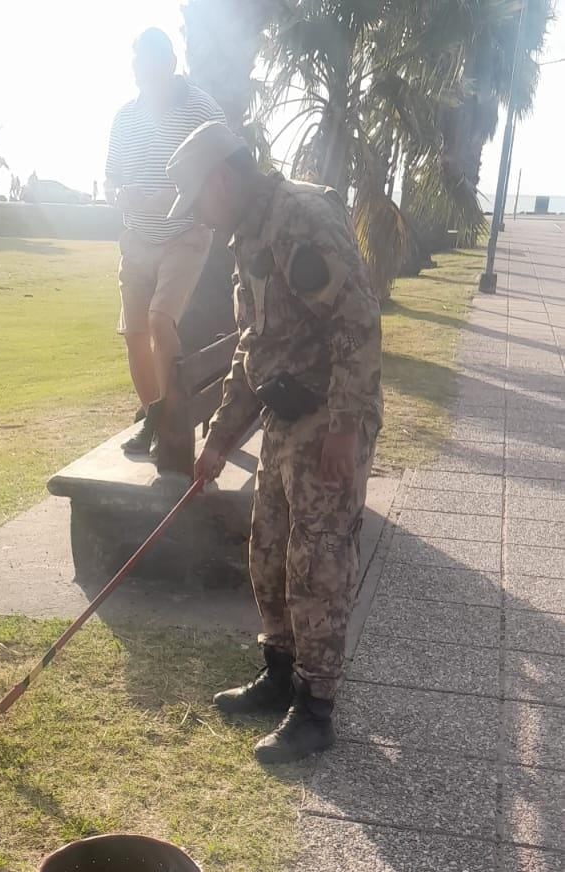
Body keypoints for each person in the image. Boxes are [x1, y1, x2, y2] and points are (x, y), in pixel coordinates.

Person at [165, 121, 383, 763]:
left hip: (332, 416)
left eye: (198, 199)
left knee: (317, 561)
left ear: (222, 180)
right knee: (268, 551)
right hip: (288, 416)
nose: (199, 215)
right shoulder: (250, 234)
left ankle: (315, 710)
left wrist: (345, 426)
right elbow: (254, 346)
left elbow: (358, 320)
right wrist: (219, 440)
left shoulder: (299, 220)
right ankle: (280, 674)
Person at [104, 28, 224, 459]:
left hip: (184, 234)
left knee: (159, 321)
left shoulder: (200, 108)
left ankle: (170, 425)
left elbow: (219, 175)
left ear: (170, 65)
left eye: (150, 66)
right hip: (137, 237)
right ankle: (153, 414)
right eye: (137, 67)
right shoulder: (125, 117)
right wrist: (118, 194)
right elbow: (111, 176)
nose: (142, 75)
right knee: (134, 331)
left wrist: (167, 198)